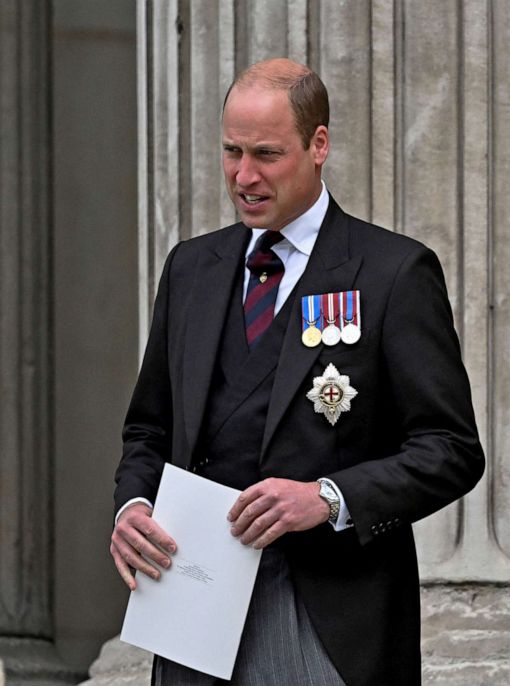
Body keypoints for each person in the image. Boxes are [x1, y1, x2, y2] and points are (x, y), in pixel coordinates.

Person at [110, 58, 484, 686]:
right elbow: (149, 429)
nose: (244, 176)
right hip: (191, 614)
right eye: (231, 151)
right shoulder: (190, 269)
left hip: (330, 618)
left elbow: (451, 450)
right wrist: (132, 507)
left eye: (266, 154)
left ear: (319, 145)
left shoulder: (394, 272)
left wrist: (328, 498)